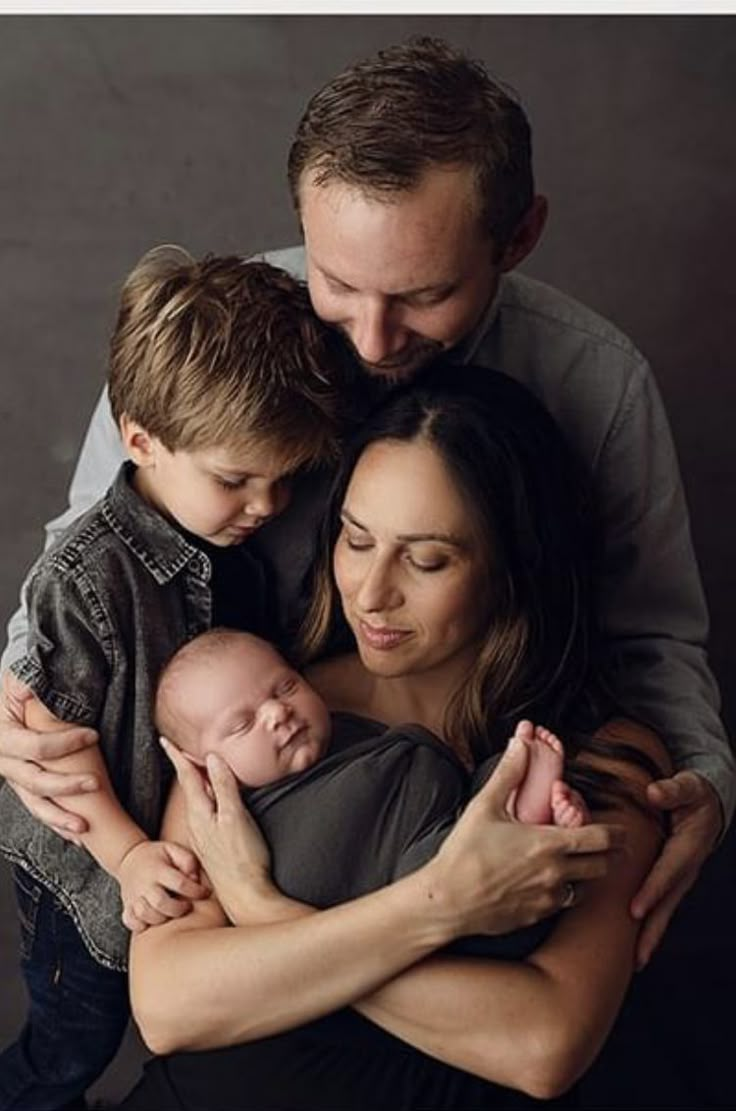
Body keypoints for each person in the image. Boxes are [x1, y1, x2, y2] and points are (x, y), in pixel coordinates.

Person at [0, 33, 731, 980]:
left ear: (519, 237)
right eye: (337, 282)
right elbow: (89, 553)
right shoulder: (205, 354)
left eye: (424, 295)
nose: (374, 337)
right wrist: (21, 698)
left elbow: (651, 637)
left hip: (452, 797)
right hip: (219, 816)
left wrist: (706, 777)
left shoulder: (597, 382)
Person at [118, 364, 667, 1111]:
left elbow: (543, 1043)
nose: (370, 593)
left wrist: (263, 909)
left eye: (427, 558)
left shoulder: (604, 760)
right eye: (356, 538)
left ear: (512, 565)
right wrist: (439, 908)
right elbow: (171, 1001)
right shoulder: (261, 704)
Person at [0, 247, 342, 1111]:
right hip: (93, 866)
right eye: (236, 479)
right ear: (141, 439)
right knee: (74, 1042)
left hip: (184, 856)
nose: (266, 505)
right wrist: (128, 855)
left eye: (283, 479)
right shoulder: (86, 582)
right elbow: (55, 753)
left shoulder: (234, 538)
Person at [154, 626, 588, 954]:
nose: (277, 712)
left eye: (286, 687)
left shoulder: (340, 730)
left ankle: (520, 806)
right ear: (202, 769)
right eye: (242, 724)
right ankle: (522, 821)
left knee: (499, 774)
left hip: (437, 814)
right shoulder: (225, 814)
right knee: (436, 862)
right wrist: (137, 868)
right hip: (383, 877)